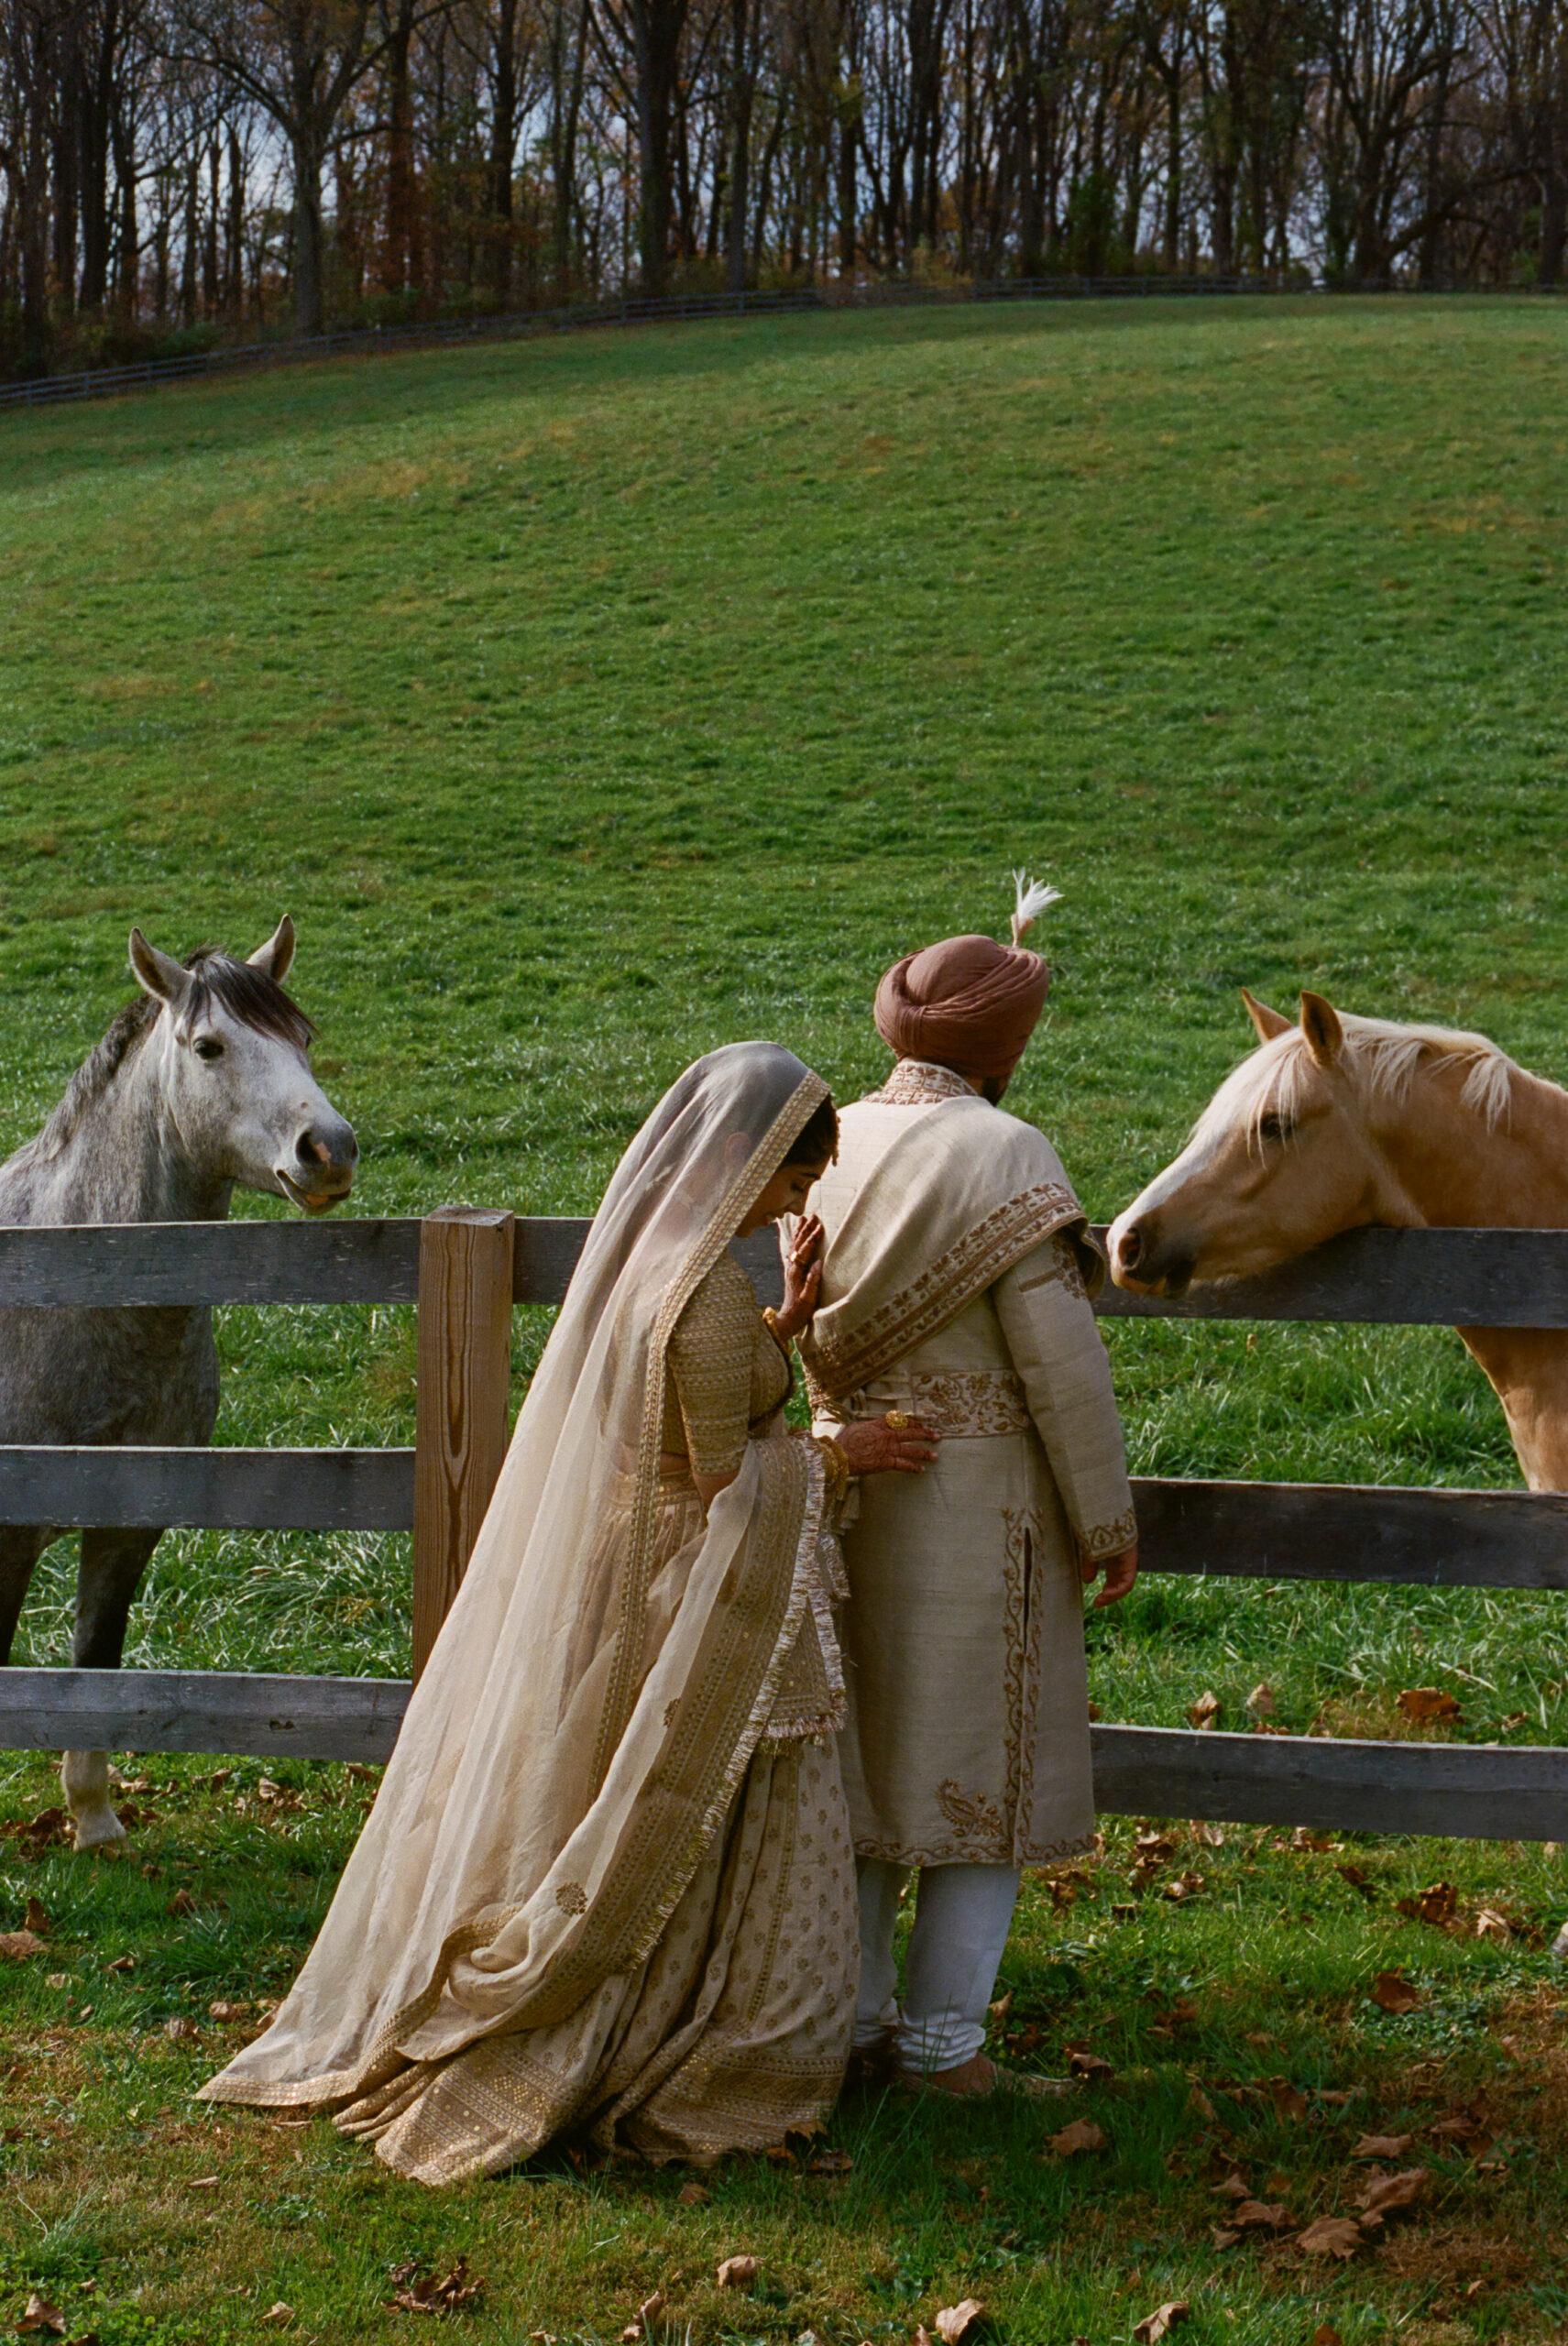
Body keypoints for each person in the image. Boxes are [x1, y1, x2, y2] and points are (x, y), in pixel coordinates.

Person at [200, 1042, 935, 2183]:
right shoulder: (700, 1290)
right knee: (698, 1819)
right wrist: (846, 1453)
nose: (794, 1206)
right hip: (695, 1596)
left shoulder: (665, 1263)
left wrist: (781, 1325)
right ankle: (700, 2042)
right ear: (745, 1162)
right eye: (793, 1184)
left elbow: (698, 1382)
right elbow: (719, 1479)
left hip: (646, 1575)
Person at [800, 881, 1138, 2099]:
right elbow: (1058, 1363)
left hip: (839, 1490)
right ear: (1006, 1048)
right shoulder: (1007, 1154)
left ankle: (841, 2030)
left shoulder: (830, 1133)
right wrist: (1104, 1520)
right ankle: (943, 2053)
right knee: (974, 1783)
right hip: (977, 1508)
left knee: (859, 1774)